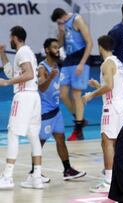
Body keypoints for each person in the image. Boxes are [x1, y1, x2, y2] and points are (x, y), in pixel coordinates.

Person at [28, 38, 86, 183]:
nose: (57, 50)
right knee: (39, 142)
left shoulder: (56, 66)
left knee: (61, 140)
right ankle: (34, 172)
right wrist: (50, 78)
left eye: (58, 47)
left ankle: (67, 170)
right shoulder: (42, 68)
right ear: (47, 50)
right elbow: (41, 87)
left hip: (56, 110)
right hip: (45, 112)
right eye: (54, 47)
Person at [82, 35, 123, 192]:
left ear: (100, 47)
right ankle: (120, 177)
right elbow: (113, 85)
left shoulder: (106, 64)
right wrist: (97, 85)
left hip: (112, 108)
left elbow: (109, 86)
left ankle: (109, 181)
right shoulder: (117, 62)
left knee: (107, 142)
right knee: (118, 144)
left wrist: (91, 95)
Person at [0, 26, 43, 189]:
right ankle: (37, 177)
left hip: (24, 96)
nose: (10, 40)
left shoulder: (22, 52)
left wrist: (6, 83)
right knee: (33, 136)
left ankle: (7, 177)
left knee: (13, 134)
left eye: (11, 37)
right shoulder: (27, 52)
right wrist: (2, 54)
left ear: (15, 37)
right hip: (33, 97)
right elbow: (14, 73)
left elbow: (29, 74)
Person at [51, 8, 93, 141]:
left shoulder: (77, 19)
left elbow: (90, 43)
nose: (58, 24)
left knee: (76, 94)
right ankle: (79, 118)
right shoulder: (63, 25)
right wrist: (61, 32)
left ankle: (78, 130)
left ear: (62, 17)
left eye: (58, 22)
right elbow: (60, 44)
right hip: (69, 59)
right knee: (62, 94)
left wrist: (82, 63)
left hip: (80, 58)